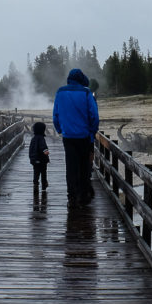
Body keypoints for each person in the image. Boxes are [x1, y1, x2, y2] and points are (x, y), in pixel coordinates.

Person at [52, 68, 99, 207]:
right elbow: (94, 116)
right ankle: (83, 196)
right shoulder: (86, 93)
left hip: (68, 137)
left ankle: (71, 198)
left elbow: (56, 114)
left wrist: (60, 130)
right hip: (84, 136)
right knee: (84, 166)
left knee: (71, 167)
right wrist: (92, 133)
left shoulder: (60, 92)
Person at [28, 122, 50, 190]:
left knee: (36, 172)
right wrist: (46, 152)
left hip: (35, 159)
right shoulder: (41, 138)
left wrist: (31, 157)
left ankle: (35, 183)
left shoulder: (33, 139)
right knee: (43, 172)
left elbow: (31, 149)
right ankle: (44, 184)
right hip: (42, 159)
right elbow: (43, 147)